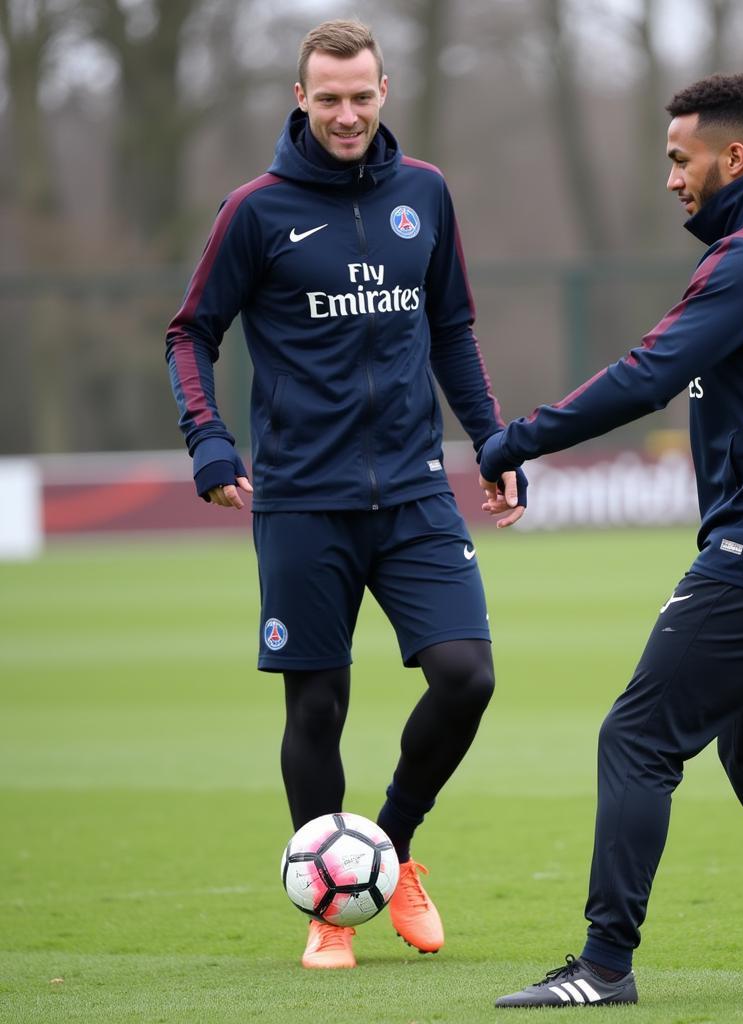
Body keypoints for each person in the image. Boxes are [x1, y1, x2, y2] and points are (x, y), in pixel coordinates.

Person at [482, 74, 743, 1007]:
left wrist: (513, 439)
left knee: (637, 736)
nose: (671, 178)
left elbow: (645, 375)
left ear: (731, 157)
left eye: (679, 158)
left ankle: (602, 967)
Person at [165, 18, 526, 971]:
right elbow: (190, 332)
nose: (346, 113)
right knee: (316, 709)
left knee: (467, 676)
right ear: (300, 98)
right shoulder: (255, 210)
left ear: (385, 90)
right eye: (327, 97)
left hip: (412, 494)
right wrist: (208, 439)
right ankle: (327, 905)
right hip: (301, 501)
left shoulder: (427, 196)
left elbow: (452, 329)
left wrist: (491, 441)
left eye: (361, 95)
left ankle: (390, 852)